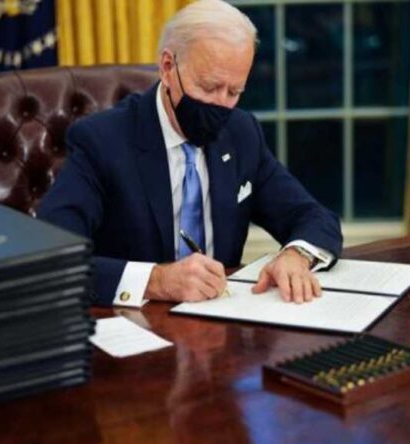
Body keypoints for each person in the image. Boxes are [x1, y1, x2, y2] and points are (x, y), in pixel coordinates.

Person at [38, 0, 342, 307]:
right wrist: (156, 281)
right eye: (208, 87)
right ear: (168, 67)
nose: (221, 104)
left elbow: (313, 217)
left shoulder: (241, 133)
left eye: (234, 92)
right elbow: (49, 257)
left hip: (223, 318)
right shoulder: (101, 141)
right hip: (134, 321)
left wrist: (296, 255)